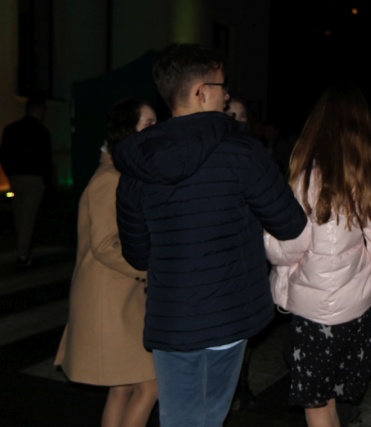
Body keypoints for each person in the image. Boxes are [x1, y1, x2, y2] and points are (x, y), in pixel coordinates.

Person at [112, 43, 307, 427]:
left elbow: (137, 253)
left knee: (179, 417)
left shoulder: (138, 163)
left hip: (173, 318)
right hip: (229, 314)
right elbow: (291, 224)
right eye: (222, 86)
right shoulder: (244, 153)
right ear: (202, 92)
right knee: (211, 415)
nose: (227, 95)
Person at [264, 84, 371, 427]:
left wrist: (268, 236)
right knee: (333, 404)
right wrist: (369, 287)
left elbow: (286, 247)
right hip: (359, 313)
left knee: (318, 407)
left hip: (315, 314)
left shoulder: (307, 179)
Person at [54, 97, 159, 427]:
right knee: (149, 385)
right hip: (110, 299)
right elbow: (104, 245)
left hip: (119, 297)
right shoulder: (109, 178)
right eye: (148, 124)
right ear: (128, 131)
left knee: (123, 388)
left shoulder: (122, 172)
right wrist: (151, 267)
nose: (156, 131)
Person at [0, 93, 53, 270]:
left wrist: (11, 174)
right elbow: (46, 160)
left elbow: (4, 155)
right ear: (40, 111)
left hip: (16, 178)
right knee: (28, 218)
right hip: (34, 179)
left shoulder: (11, 129)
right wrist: (48, 183)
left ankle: (23, 250)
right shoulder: (42, 131)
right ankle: (23, 255)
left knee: (19, 215)